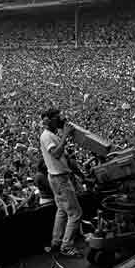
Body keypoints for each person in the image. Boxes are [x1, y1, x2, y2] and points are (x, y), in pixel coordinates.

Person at [39, 108, 82, 257]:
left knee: (62, 211)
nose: (60, 120)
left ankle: (56, 242)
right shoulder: (46, 136)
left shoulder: (51, 134)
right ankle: (66, 246)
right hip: (59, 179)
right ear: (49, 120)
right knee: (75, 213)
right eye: (57, 118)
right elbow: (56, 154)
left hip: (57, 177)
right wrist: (65, 135)